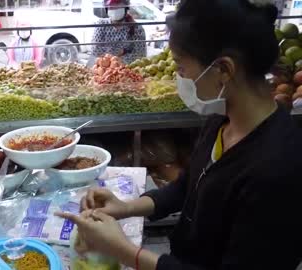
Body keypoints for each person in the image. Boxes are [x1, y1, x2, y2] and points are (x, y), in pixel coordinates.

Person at [57, 1, 302, 270]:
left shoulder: (278, 171)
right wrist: (125, 207)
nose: (177, 78)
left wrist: (125, 252)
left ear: (224, 70)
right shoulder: (222, 120)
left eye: (181, 68)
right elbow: (187, 187)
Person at [92, 0, 147, 64]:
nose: (115, 10)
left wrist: (116, 61)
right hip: (103, 68)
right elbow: (95, 50)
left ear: (126, 8)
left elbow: (140, 54)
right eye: (111, 7)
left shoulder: (137, 28)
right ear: (106, 9)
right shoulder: (101, 25)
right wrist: (123, 51)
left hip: (128, 70)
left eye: (118, 7)